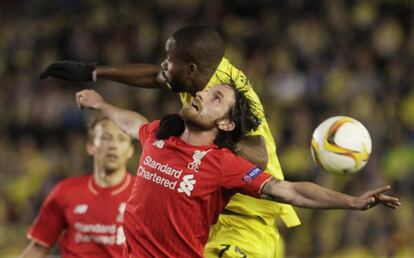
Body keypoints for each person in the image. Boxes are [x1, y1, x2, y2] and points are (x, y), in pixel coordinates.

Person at [39, 25, 301, 258]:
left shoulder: (230, 97)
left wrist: (203, 130)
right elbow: (156, 76)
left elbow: (259, 156)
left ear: (191, 70)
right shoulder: (199, 77)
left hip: (244, 225)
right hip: (209, 222)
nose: (164, 64)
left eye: (169, 61)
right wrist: (93, 71)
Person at [75, 85, 400, 258]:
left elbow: (290, 191)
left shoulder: (222, 164)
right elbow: (134, 124)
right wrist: (102, 105)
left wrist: (352, 202)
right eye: (205, 91)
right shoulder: (163, 134)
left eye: (216, 98)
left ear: (226, 124)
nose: (201, 94)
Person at [20, 117, 135, 258]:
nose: (113, 145)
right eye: (106, 137)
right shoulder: (66, 191)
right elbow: (38, 248)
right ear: (90, 147)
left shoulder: (143, 194)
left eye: (121, 139)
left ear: (131, 150)